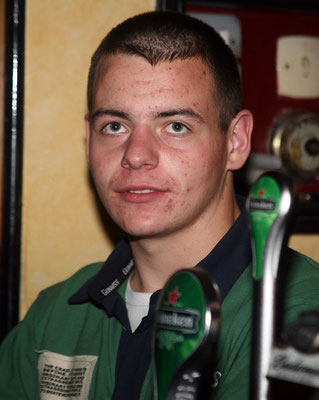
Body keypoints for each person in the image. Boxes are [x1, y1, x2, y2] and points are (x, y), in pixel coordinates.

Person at [0, 10, 319, 400]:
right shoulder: (57, 315)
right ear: (89, 139)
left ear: (236, 141)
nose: (136, 155)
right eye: (114, 126)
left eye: (176, 126)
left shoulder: (294, 319)